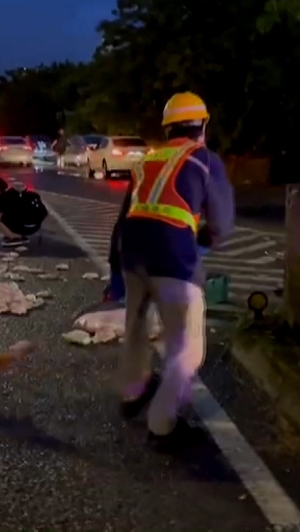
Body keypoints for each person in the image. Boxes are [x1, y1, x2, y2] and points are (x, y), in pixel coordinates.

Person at [115, 91, 236, 449]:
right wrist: (202, 244)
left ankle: (132, 393)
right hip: (172, 256)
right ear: (203, 125)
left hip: (132, 251)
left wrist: (113, 272)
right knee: (189, 347)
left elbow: (124, 218)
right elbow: (223, 224)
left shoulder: (145, 161)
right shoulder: (204, 160)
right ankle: (162, 424)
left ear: (167, 128)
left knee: (136, 326)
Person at [0, 177, 48, 247]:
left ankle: (15, 237)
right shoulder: (18, 193)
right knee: (11, 216)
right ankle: (17, 235)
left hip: (24, 227)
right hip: (35, 227)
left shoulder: (2, 197)